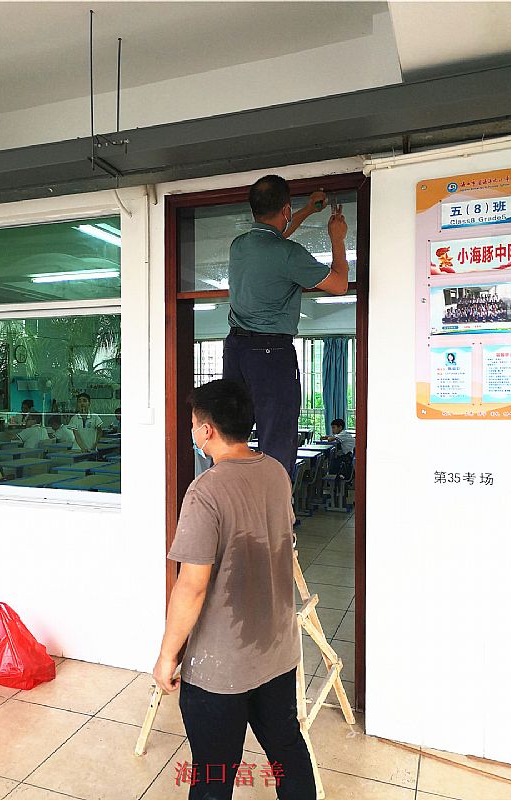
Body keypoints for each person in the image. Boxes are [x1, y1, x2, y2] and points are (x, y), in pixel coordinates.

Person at [153, 379, 315, 800]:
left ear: (206, 430)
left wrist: (168, 655)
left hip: (220, 667)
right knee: (287, 750)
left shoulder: (205, 491)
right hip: (277, 650)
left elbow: (191, 586)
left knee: (214, 774)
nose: (192, 430)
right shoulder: (276, 472)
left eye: (193, 423)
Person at [223, 174, 349, 476]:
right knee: (277, 441)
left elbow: (273, 239)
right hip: (271, 354)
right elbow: (340, 284)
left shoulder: (238, 246)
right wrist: (337, 238)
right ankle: (275, 503)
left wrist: (305, 211)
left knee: (232, 435)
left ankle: (233, 496)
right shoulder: (289, 254)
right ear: (285, 210)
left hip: (235, 350)